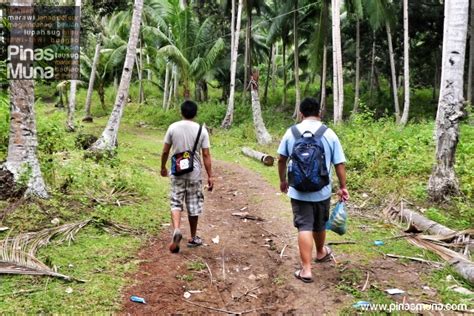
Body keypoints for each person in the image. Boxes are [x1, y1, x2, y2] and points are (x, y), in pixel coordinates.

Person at [277, 97, 349, 283]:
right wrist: (342, 187)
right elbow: (339, 163)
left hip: (298, 190)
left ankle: (306, 270)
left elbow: (281, 159)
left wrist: (283, 180)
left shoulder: (291, 132)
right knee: (319, 223)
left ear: (301, 113)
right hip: (322, 190)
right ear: (319, 113)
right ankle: (320, 252)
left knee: (304, 226)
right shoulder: (329, 134)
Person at [160, 100, 214, 253]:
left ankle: (177, 229)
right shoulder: (201, 130)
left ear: (181, 112)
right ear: (195, 113)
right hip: (194, 173)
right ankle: (193, 236)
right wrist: (210, 176)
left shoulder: (172, 128)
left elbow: (165, 151)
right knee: (193, 205)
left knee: (175, 202)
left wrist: (163, 167)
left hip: (177, 172)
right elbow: (206, 154)